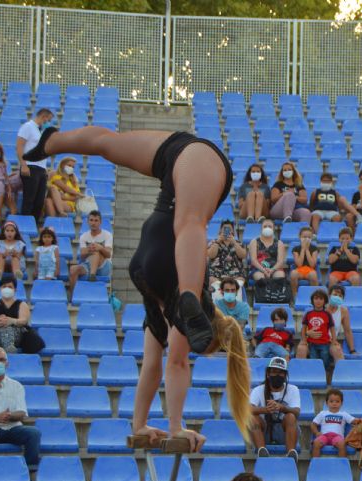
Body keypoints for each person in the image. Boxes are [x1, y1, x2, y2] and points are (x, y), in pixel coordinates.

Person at [23, 126, 252, 450]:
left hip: (159, 228)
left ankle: (51, 141)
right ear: (209, 328)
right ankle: (188, 294)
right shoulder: (180, 315)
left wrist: (141, 428)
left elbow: (155, 366)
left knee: (108, 144)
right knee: (190, 223)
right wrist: (176, 428)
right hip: (155, 262)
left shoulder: (163, 310)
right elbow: (175, 364)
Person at [249, 357, 300, 460]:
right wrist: (266, 410)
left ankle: (291, 453)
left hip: (285, 431)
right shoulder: (258, 390)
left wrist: (283, 408)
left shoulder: (293, 389)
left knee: (291, 416)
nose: (277, 375)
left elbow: (297, 412)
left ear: (285, 375)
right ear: (268, 374)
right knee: (253, 418)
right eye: (274, 372)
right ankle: (261, 451)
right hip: (265, 431)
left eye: (281, 373)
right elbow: (248, 409)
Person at [16, 107, 54, 220]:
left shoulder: (40, 130)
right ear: (44, 117)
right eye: (49, 119)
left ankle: (34, 224)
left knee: (39, 200)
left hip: (41, 168)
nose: (48, 122)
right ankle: (25, 225)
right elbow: (19, 146)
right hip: (30, 166)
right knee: (29, 199)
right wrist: (23, 165)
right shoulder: (28, 126)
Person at [69, 210, 113, 293]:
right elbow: (82, 255)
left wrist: (100, 248)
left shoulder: (107, 235)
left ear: (100, 222)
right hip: (88, 264)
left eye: (96, 220)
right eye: (91, 220)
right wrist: (89, 249)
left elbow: (108, 254)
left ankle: (92, 276)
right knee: (72, 269)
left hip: (103, 266)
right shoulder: (83, 236)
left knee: (96, 251)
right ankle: (73, 296)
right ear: (88, 221)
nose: (93, 223)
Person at [296, 289, 339, 371]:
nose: (318, 301)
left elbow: (332, 328)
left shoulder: (327, 314)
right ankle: (315, 372)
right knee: (313, 359)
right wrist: (304, 340)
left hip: (325, 343)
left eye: (321, 299)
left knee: (325, 358)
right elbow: (304, 328)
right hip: (312, 343)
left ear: (325, 301)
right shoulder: (308, 314)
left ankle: (325, 371)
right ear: (312, 301)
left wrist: (334, 341)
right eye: (316, 298)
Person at [310, 388, 361, 457]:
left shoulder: (344, 414)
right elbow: (313, 424)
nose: (334, 404)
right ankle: (315, 464)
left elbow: (354, 421)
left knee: (342, 444)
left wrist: (361, 420)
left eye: (337, 401)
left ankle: (342, 465)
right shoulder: (322, 413)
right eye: (331, 401)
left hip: (337, 436)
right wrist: (316, 433)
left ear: (341, 403)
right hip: (324, 436)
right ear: (327, 403)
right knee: (316, 443)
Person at [207, 220, 246, 300]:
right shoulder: (213, 242)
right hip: (217, 275)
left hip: (235, 275)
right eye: (224, 228)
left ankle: (236, 307)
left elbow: (243, 255)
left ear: (233, 231)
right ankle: (217, 308)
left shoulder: (238, 243)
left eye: (229, 229)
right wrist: (218, 242)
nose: (227, 231)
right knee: (212, 281)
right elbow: (211, 255)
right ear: (220, 230)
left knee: (240, 281)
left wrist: (234, 243)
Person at [248, 219, 286, 285]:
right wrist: (264, 271)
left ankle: (276, 295)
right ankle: (262, 295)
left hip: (275, 269)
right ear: (261, 229)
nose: (267, 228)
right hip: (258, 269)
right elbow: (253, 260)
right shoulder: (254, 242)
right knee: (261, 279)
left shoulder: (280, 243)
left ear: (273, 229)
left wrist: (272, 270)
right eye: (265, 226)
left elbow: (280, 261)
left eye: (270, 226)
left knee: (280, 277)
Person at [325, 284, 357, 359]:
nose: (337, 297)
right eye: (335, 294)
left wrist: (352, 350)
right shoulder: (321, 307)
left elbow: (347, 331)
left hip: (331, 342)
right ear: (329, 295)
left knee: (338, 350)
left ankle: (341, 370)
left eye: (340, 296)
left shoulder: (343, 311)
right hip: (318, 340)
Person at [290, 226, 319, 298]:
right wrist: (303, 249)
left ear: (312, 238)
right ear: (300, 237)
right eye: (304, 237)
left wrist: (307, 250)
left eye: (309, 237)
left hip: (310, 270)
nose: (306, 239)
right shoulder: (296, 249)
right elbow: (299, 264)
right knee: (293, 273)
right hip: (299, 270)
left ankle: (314, 296)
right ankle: (295, 296)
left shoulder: (314, 248)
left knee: (313, 274)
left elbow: (312, 264)